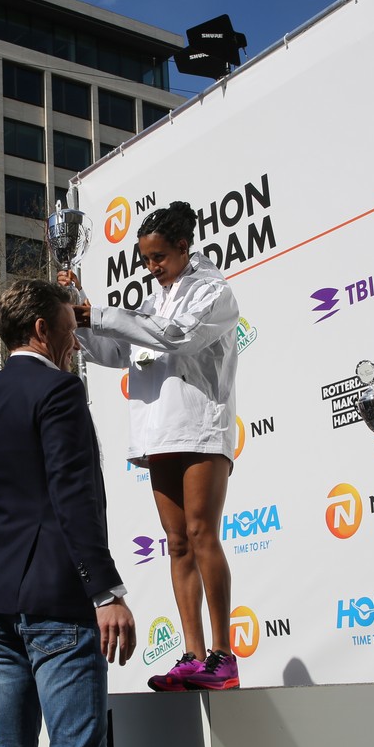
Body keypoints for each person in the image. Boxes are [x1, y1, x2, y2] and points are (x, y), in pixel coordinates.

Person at [0, 278, 136, 747]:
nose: (75, 337)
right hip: (56, 597)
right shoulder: (60, 390)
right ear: (42, 329)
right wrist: (105, 591)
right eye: (69, 324)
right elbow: (73, 495)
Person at [62, 200, 241, 691]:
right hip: (158, 432)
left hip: (200, 427)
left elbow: (177, 338)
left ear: (184, 246)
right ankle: (193, 655)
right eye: (145, 259)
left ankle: (224, 655)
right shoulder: (151, 302)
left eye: (158, 257)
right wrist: (78, 312)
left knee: (202, 534)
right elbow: (115, 349)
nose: (151, 267)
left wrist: (100, 313)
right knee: (177, 543)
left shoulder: (214, 292)